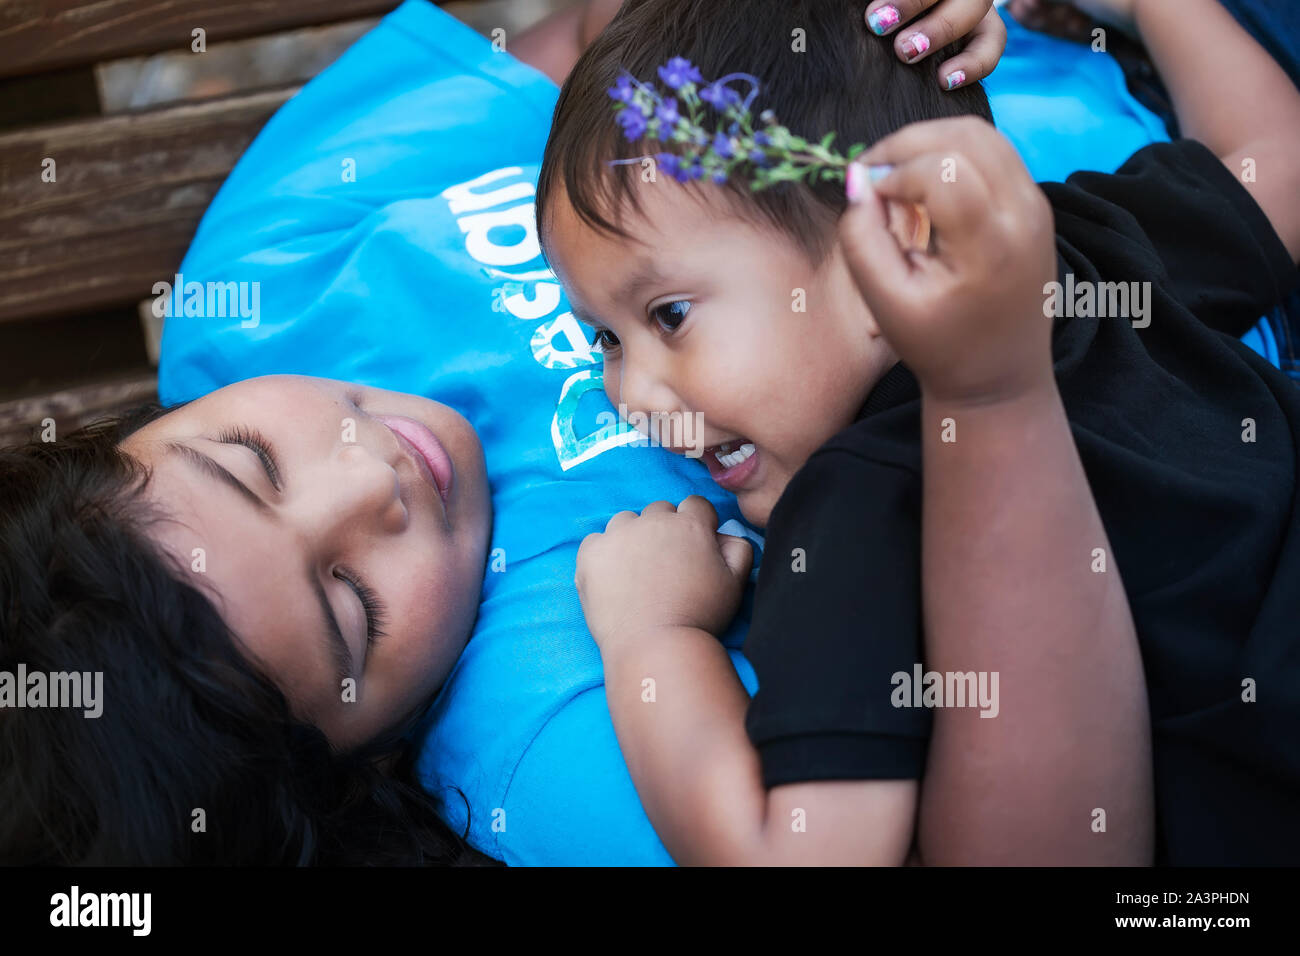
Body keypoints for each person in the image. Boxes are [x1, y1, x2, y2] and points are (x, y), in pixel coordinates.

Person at [0, 0, 1006, 865]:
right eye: (351, 605)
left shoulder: (260, 291)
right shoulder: (554, 740)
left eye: (251, 461)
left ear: (157, 422)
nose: (370, 479)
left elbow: (596, 41)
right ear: (362, 758)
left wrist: (857, 31)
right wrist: (664, 640)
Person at [536, 0, 1300, 864]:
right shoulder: (1084, 251)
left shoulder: (861, 501)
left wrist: (655, 638)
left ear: (891, 238)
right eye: (604, 338)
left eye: (668, 315)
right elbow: (1274, 160)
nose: (629, 393)